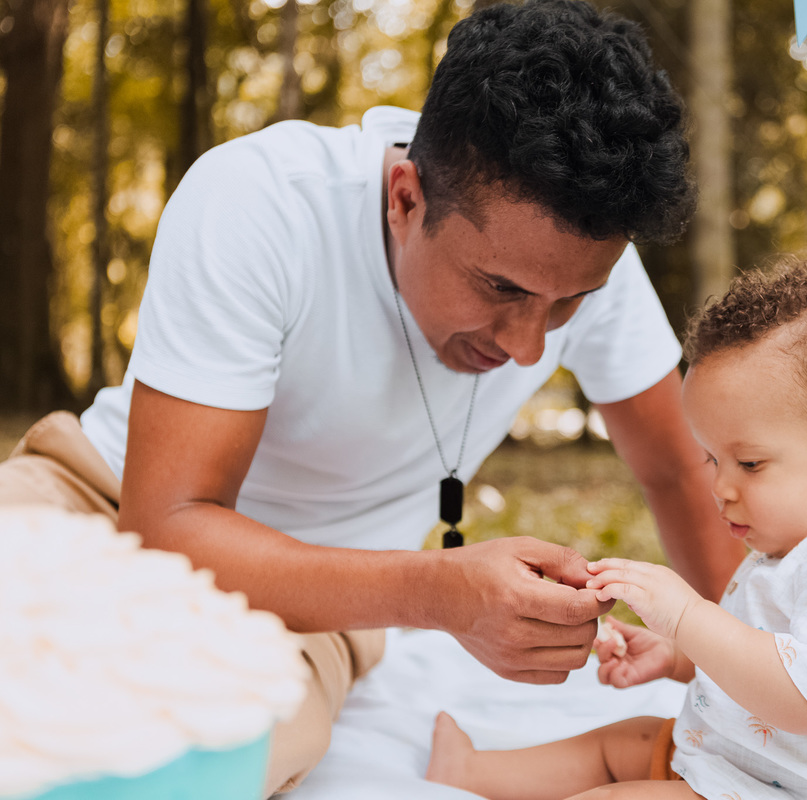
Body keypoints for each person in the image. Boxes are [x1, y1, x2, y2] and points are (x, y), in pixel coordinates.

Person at [0, 0, 744, 794]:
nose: (529, 346)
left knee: (187, 749)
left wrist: (749, 672)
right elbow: (165, 526)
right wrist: (439, 592)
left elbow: (679, 469)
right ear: (404, 198)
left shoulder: (584, 268)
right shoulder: (262, 200)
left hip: (311, 613)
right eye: (500, 288)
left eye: (569, 305)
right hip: (94, 505)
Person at [424, 255, 807, 800]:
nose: (721, 486)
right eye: (712, 460)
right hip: (728, 764)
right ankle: (469, 774)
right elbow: (760, 651)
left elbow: (803, 699)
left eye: (750, 464)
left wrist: (687, 616)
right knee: (624, 742)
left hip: (777, 791)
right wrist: (677, 656)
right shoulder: (794, 544)